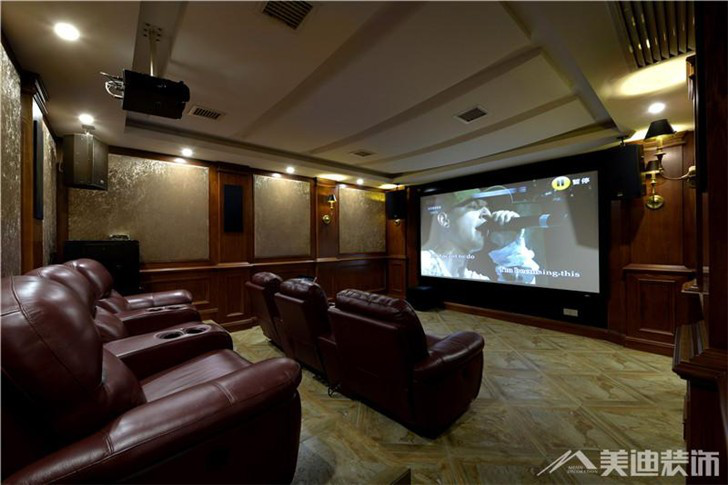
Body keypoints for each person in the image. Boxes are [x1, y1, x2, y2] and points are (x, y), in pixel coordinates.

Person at [421, 186, 539, 283]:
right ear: (445, 220)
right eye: (474, 206)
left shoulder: (476, 280)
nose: (487, 213)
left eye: (488, 208)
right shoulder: (423, 264)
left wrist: (509, 248)